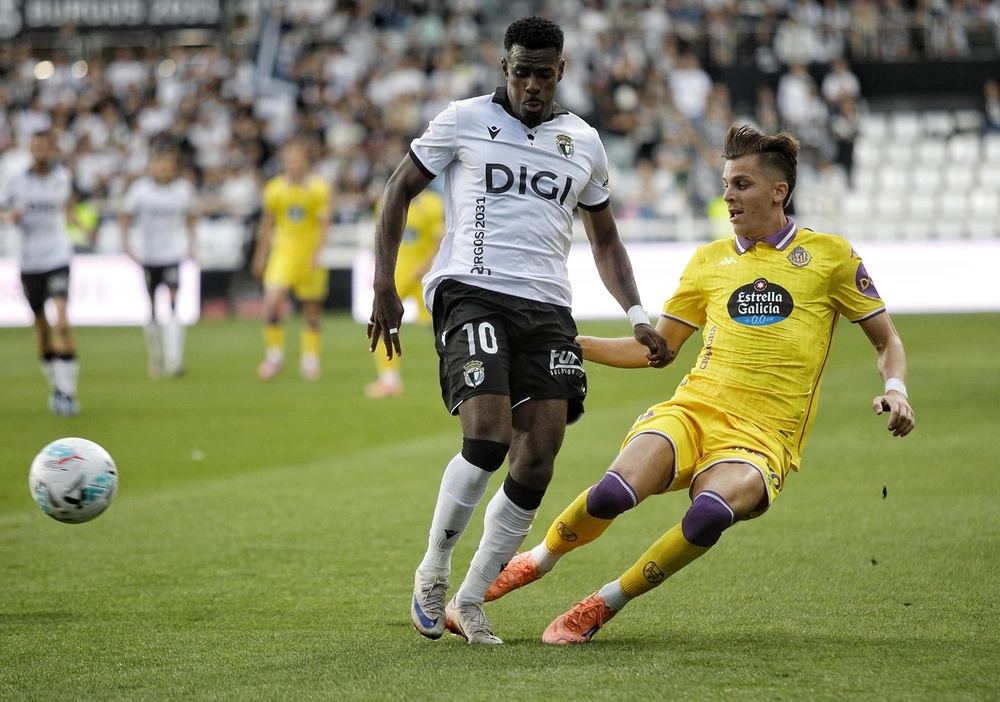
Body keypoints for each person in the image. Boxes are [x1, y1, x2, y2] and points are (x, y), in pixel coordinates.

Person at [485, 124, 916, 644]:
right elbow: (656, 352)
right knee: (611, 494)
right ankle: (536, 559)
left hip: (764, 436)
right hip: (693, 410)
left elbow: (885, 339)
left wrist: (897, 388)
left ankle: (603, 603)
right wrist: (571, 342)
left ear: (779, 191)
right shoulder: (709, 260)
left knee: (708, 516)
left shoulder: (830, 256)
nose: (728, 195)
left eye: (741, 184)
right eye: (726, 183)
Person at [367, 16, 670, 645]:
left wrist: (638, 315)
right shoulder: (463, 119)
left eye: (544, 72)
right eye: (521, 70)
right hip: (471, 290)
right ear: (505, 68)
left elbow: (605, 238)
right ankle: (433, 571)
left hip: (547, 307)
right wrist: (384, 287)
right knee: (487, 436)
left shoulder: (583, 141)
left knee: (539, 458)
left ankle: (471, 598)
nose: (532, 83)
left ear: (560, 71)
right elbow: (398, 190)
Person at [0, 130, 92, 415]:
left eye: (44, 147)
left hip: (58, 255)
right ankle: (56, 388)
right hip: (29, 261)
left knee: (62, 321)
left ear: (52, 150)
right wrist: (10, 218)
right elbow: (2, 211)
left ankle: (69, 391)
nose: (40, 152)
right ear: (31, 149)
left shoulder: (61, 177)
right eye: (35, 147)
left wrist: (80, 225)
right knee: (41, 327)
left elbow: (66, 209)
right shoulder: (17, 182)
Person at [251, 140, 333, 381]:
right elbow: (267, 225)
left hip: (308, 256)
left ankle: (310, 360)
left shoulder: (318, 188)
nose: (293, 163)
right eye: (289, 159)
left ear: (305, 161)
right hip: (283, 253)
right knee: (272, 302)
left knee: (311, 309)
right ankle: (274, 355)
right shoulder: (275, 189)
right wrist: (260, 255)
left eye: (297, 159)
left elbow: (324, 224)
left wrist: (318, 253)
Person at [119, 150, 198, 378]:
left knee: (173, 304)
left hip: (173, 254)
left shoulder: (183, 190)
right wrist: (127, 245)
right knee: (152, 308)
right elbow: (125, 217)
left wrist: (193, 245)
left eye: (168, 164)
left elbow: (191, 217)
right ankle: (156, 359)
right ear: (153, 166)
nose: (164, 169)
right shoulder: (140, 190)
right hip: (149, 255)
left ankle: (174, 360)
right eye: (160, 164)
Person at [365, 181, 445, 398]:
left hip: (425, 275)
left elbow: (440, 239)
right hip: (397, 273)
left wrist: (426, 265)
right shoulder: (386, 201)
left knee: (440, 328)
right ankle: (389, 380)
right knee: (383, 322)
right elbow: (381, 236)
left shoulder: (433, 204)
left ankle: (454, 373)